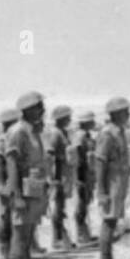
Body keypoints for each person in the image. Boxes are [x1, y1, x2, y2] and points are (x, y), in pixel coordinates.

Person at [5, 91, 50, 259]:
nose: (42, 110)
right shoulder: (18, 132)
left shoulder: (32, 131)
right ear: (28, 110)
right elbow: (12, 163)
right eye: (38, 107)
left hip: (34, 190)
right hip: (22, 193)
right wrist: (16, 195)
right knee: (20, 239)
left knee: (27, 239)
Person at [94, 97, 130, 259]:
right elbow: (100, 162)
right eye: (125, 111)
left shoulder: (119, 131)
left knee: (112, 222)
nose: (129, 114)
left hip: (119, 182)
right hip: (112, 183)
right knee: (109, 223)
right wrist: (101, 190)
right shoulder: (108, 133)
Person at [45, 104, 77, 250]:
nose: (69, 119)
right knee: (57, 209)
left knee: (61, 207)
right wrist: (54, 178)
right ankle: (58, 238)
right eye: (67, 117)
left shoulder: (63, 132)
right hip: (58, 176)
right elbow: (51, 157)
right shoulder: (55, 133)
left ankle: (61, 237)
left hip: (65, 174)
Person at [0, 108, 20, 259]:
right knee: (5, 218)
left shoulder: (11, 138)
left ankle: (11, 251)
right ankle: (4, 252)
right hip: (5, 185)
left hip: (12, 183)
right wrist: (2, 186)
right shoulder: (3, 140)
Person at [73, 110, 98, 246]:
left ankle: (85, 233)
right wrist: (80, 177)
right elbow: (79, 158)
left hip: (88, 174)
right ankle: (81, 235)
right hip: (82, 175)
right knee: (81, 205)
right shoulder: (80, 136)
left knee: (85, 203)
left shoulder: (87, 136)